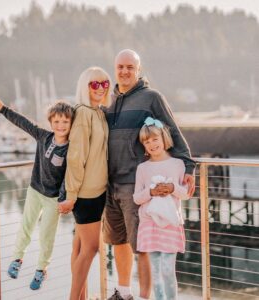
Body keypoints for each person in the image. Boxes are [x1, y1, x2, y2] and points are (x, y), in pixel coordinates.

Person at [103, 49, 196, 300]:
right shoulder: (108, 101)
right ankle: (124, 292)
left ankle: (145, 297)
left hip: (135, 184)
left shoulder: (151, 97)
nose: (124, 71)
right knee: (118, 242)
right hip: (108, 185)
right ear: (115, 69)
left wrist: (188, 165)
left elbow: (173, 131)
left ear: (138, 70)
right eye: (120, 67)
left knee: (142, 246)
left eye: (130, 67)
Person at [0, 96, 74, 290]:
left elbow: (71, 175)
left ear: (71, 124)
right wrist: (3, 108)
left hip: (53, 199)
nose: (60, 125)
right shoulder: (43, 136)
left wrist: (63, 198)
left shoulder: (72, 148)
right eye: (57, 121)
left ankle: (41, 269)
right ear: (51, 122)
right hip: (35, 190)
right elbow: (24, 123)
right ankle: (17, 258)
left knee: (46, 235)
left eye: (65, 122)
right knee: (26, 226)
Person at [57, 66, 112, 300]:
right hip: (86, 193)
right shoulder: (83, 113)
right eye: (94, 84)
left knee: (80, 247)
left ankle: (81, 297)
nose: (100, 88)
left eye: (104, 83)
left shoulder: (98, 112)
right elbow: (76, 157)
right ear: (85, 87)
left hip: (98, 190)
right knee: (91, 248)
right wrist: (71, 194)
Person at [133, 117, 189, 300]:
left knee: (167, 269)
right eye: (147, 142)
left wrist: (173, 188)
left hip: (170, 223)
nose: (151, 144)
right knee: (156, 272)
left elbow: (186, 194)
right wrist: (151, 191)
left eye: (155, 139)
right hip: (149, 225)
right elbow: (136, 198)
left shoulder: (178, 164)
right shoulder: (142, 168)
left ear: (164, 138)